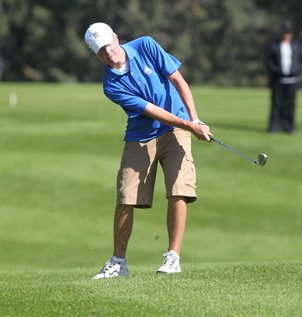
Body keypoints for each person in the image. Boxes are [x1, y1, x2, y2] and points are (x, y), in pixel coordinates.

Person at [84, 22, 212, 279]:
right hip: (141, 136)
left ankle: (173, 257)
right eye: (101, 52)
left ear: (116, 38)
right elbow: (152, 111)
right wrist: (189, 124)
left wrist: (194, 119)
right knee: (126, 197)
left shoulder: (146, 45)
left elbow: (177, 79)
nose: (108, 53)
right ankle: (119, 262)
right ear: (96, 55)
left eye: (109, 46)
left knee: (179, 189)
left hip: (177, 128)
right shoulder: (111, 86)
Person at [265, 20, 302, 134]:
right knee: (276, 103)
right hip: (278, 79)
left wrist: (296, 71)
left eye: (288, 32)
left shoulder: (297, 45)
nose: (286, 34)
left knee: (290, 104)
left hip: (293, 80)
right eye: (284, 31)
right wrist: (277, 71)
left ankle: (289, 126)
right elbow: (269, 61)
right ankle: (274, 126)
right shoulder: (274, 44)